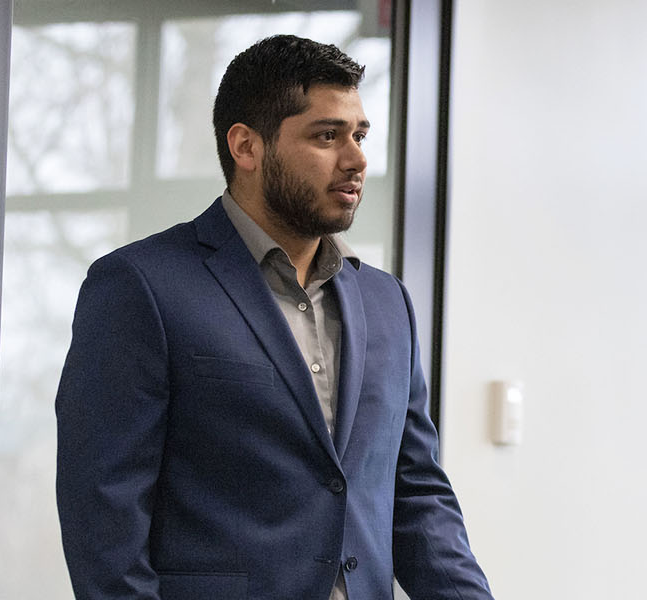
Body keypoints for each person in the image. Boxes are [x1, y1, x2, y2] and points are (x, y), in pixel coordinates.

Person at [55, 35, 493, 600]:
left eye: (359, 135)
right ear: (246, 147)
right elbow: (104, 513)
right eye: (326, 135)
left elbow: (418, 496)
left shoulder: (388, 304)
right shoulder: (141, 287)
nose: (357, 157)